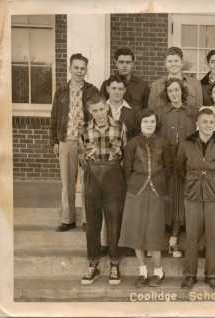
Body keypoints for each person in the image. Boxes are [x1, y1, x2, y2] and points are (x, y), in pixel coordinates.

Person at [176, 108, 215, 289]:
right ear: (197, 123)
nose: (208, 125)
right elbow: (179, 168)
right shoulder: (186, 144)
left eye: (211, 122)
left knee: (211, 236)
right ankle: (190, 275)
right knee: (191, 236)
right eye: (204, 121)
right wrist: (192, 181)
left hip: (213, 196)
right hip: (192, 195)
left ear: (214, 124)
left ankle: (211, 275)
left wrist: (212, 184)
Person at [79, 94, 126, 285]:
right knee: (92, 223)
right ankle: (93, 264)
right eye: (95, 110)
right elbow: (81, 157)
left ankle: (114, 264)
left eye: (101, 109)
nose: (99, 113)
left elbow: (124, 153)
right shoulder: (83, 129)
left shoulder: (119, 127)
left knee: (114, 221)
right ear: (90, 111)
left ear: (106, 108)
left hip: (113, 176)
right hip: (92, 177)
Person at [118, 109, 168, 287]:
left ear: (156, 124)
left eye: (152, 122)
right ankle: (142, 271)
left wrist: (163, 186)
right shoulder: (132, 144)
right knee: (136, 232)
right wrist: (133, 184)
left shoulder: (163, 142)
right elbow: (126, 169)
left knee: (154, 232)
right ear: (140, 124)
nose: (149, 125)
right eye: (145, 121)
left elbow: (168, 167)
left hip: (156, 192)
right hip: (136, 192)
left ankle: (158, 271)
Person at [51, 53, 99, 232]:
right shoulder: (61, 91)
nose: (79, 71)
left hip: (87, 142)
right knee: (67, 182)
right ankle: (68, 219)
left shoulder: (92, 90)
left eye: (82, 68)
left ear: (86, 70)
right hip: (66, 140)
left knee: (87, 182)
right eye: (76, 67)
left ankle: (88, 220)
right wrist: (54, 141)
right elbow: (54, 116)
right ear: (70, 68)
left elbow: (97, 114)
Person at [158, 78, 199, 258]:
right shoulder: (160, 114)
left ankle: (181, 242)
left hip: (188, 164)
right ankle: (169, 241)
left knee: (185, 204)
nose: (174, 94)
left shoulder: (192, 112)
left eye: (177, 90)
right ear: (166, 94)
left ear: (182, 91)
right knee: (170, 203)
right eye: (170, 91)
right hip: (167, 164)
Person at [149, 47, 203, 112]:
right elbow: (151, 110)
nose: (173, 64)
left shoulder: (195, 84)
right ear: (165, 64)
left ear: (182, 63)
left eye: (176, 61)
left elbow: (199, 110)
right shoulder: (156, 86)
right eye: (169, 61)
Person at [100, 47, 150, 115]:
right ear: (116, 63)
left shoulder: (142, 86)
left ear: (133, 64)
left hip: (134, 124)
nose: (124, 65)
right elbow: (100, 107)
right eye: (121, 62)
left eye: (128, 62)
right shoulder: (107, 84)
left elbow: (145, 111)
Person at [104, 74, 139, 141]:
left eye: (120, 89)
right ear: (108, 89)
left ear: (125, 90)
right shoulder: (100, 109)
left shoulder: (134, 111)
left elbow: (136, 136)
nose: (117, 92)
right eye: (114, 88)